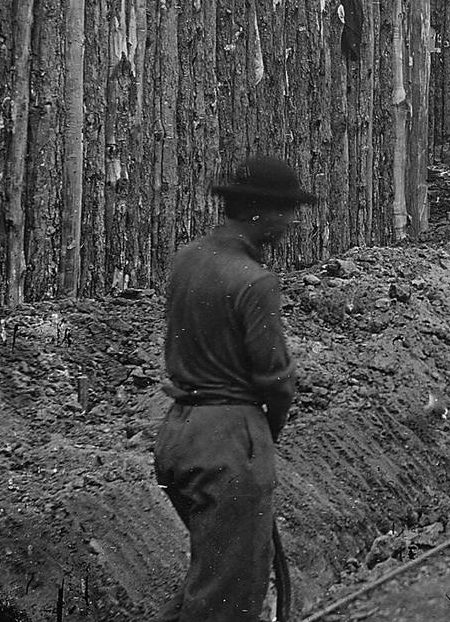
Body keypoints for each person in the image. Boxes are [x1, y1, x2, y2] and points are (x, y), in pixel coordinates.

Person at [154, 156, 314, 622]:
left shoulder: (188, 259)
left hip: (178, 437)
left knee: (210, 578)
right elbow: (277, 383)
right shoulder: (255, 281)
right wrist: (263, 437)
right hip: (229, 441)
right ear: (262, 212)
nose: (291, 223)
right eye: (286, 213)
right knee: (228, 599)